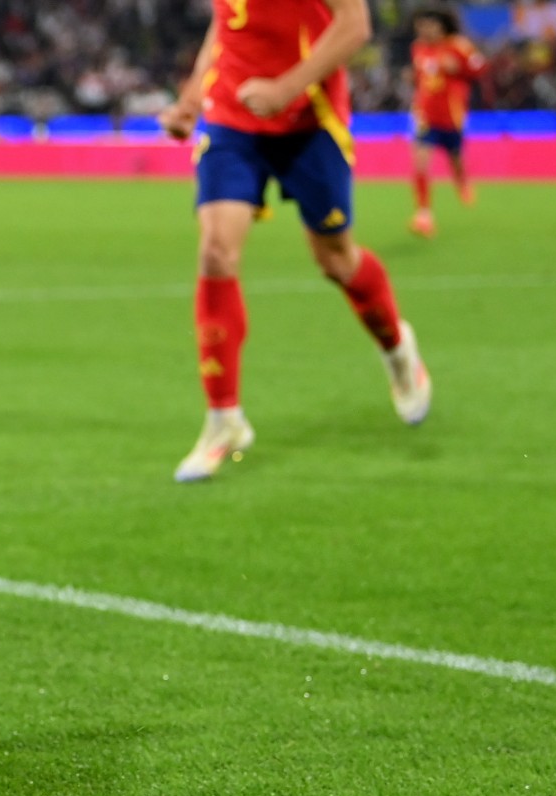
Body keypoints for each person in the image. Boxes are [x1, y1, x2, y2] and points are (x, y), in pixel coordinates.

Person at [158, 0, 433, 482]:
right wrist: (191, 98)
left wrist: (286, 89)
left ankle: (397, 348)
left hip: (309, 119)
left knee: (335, 259)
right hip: (232, 115)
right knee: (216, 252)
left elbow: (355, 25)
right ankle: (224, 419)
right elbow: (225, 26)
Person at [407, 5, 486, 238]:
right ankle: (423, 215)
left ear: (440, 26)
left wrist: (459, 68)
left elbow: (479, 67)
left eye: (427, 25)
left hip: (452, 117)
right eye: (420, 26)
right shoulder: (418, 49)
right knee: (420, 163)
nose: (423, 30)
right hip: (425, 117)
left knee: (456, 160)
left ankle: (462, 183)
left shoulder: (458, 46)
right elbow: (421, 79)